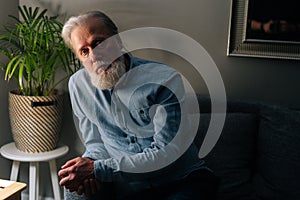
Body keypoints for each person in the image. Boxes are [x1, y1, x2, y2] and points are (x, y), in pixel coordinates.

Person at [58, 10, 218, 200]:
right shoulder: (78, 85)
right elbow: (96, 143)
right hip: (126, 184)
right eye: (84, 51)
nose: (94, 56)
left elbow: (166, 154)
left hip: (179, 180)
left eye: (98, 43)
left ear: (117, 40)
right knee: (76, 192)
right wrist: (90, 164)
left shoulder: (164, 79)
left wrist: (98, 169)